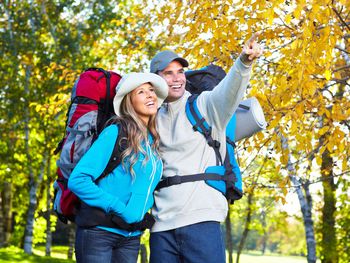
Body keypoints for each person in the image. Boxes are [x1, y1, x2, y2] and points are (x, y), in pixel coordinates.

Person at [149, 33, 263, 263]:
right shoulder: (151, 117)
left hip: (201, 220)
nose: (177, 78)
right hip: (161, 227)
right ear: (156, 79)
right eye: (168, 73)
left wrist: (244, 62)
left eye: (180, 71)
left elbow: (228, 93)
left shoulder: (204, 105)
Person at [67, 72, 168, 263]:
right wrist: (119, 208)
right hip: (99, 234)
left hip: (130, 238)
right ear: (129, 101)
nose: (150, 95)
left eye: (152, 91)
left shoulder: (153, 143)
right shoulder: (115, 132)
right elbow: (78, 180)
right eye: (141, 92)